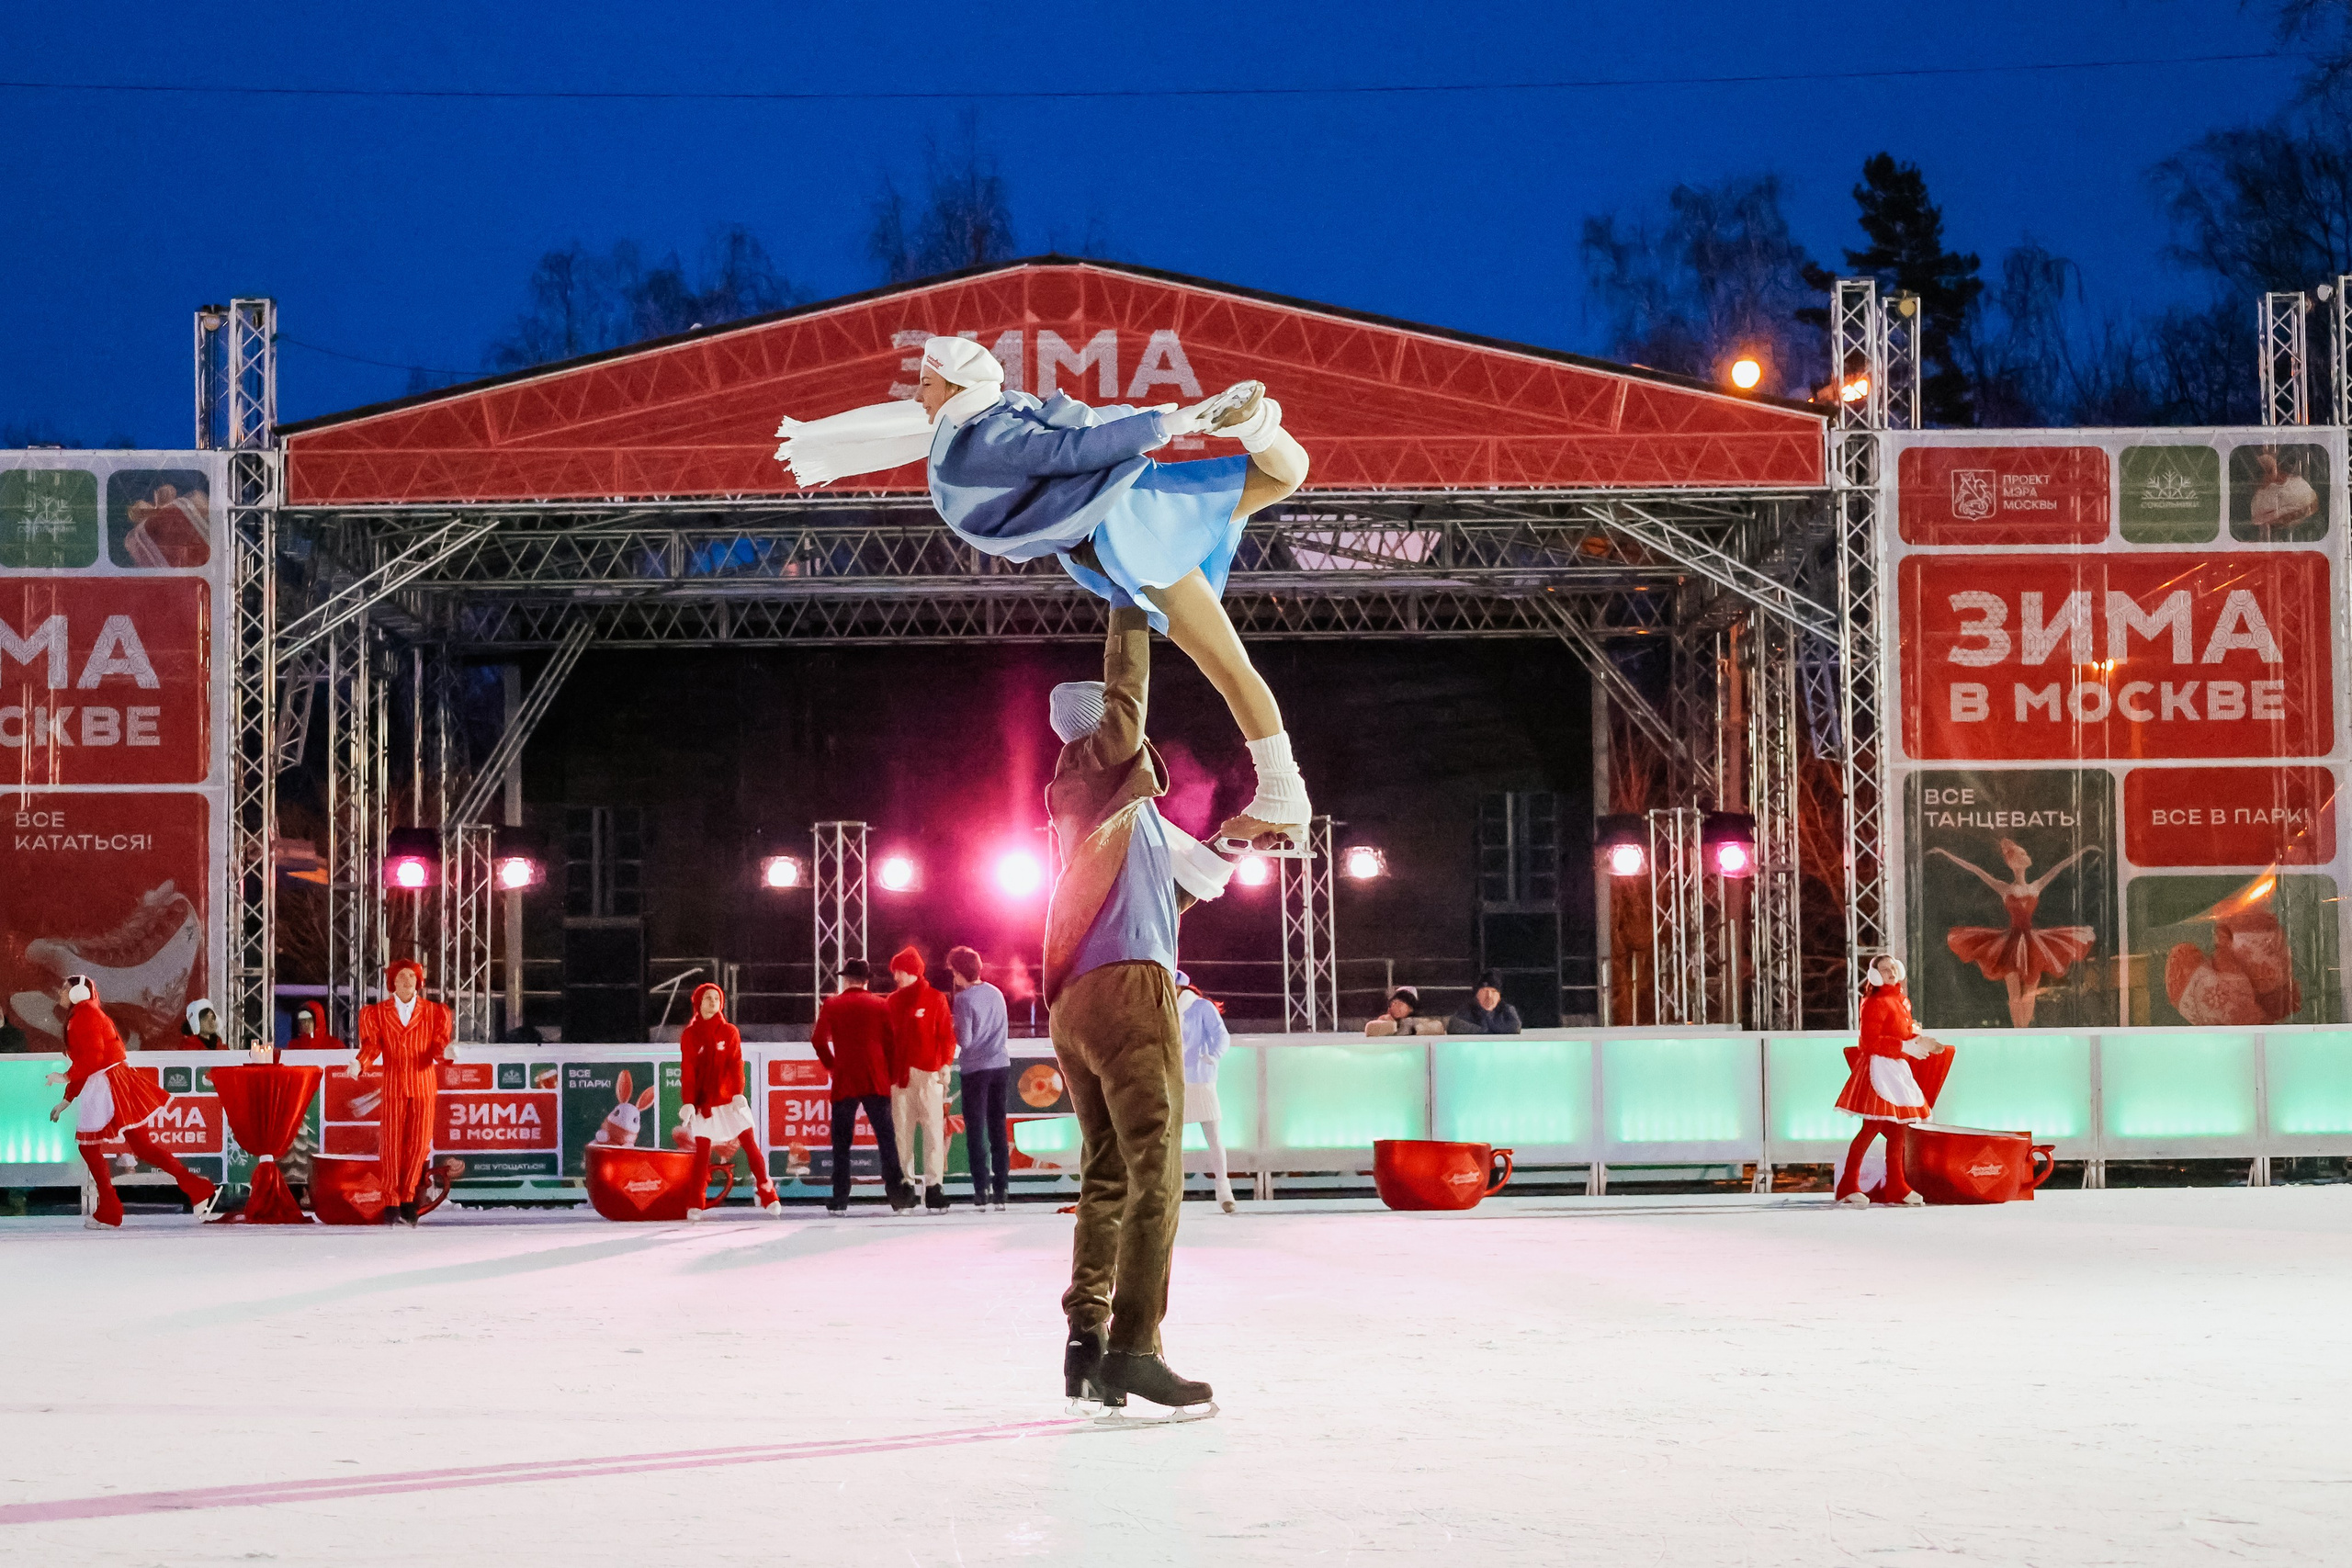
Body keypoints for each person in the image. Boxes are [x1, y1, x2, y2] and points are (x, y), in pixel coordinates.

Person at [775, 336, 1316, 857]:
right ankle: (1257, 426)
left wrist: (1165, 424)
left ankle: (1282, 795)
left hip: (1126, 527)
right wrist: (1166, 419)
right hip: (1130, 504)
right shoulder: (994, 415)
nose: (918, 396)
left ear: (956, 387)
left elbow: (1070, 447)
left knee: (1225, 663)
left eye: (927, 384)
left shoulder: (984, 440)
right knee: (1283, 476)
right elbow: (1077, 428)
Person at [1045, 604, 1236, 1417]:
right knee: (1156, 1173)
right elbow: (1128, 691)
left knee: (1108, 1175)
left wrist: (1229, 850)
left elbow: (1156, 909)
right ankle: (1134, 1347)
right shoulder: (1100, 761)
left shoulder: (1116, 819)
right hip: (1129, 993)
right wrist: (1132, 598)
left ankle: (1085, 1345)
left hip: (1081, 997)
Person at [47, 975, 218, 1227]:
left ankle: (111, 1209)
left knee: (91, 1147)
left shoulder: (86, 1015)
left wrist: (65, 1077)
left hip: (109, 1082)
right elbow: (87, 1062)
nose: (60, 992)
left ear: (79, 993)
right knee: (140, 1146)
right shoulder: (84, 1014)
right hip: (109, 1080)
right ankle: (197, 1187)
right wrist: (67, 1099)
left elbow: (93, 1059)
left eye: (65, 988)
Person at [1929, 839, 2096, 1028]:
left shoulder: (2036, 885)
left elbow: (2060, 867)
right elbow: (1975, 870)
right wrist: (1945, 853)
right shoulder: (2005, 888)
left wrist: (2084, 850)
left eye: (2025, 854)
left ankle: (2024, 1031)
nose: (2026, 857)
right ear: (2013, 862)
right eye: (2022, 855)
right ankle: (2018, 1030)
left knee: (2030, 990)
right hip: (2011, 944)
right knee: (2014, 993)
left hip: (2033, 944)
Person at [1833, 956, 1951, 1207]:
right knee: (1872, 1127)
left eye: (1893, 968)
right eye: (1885, 969)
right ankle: (1848, 1184)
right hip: (1879, 1070)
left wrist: (1918, 1039)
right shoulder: (1875, 1003)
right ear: (1875, 974)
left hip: (1896, 1067)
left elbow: (1901, 1031)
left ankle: (1896, 1185)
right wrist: (1905, 1045)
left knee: (1898, 1129)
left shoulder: (1900, 1001)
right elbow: (1868, 1042)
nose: (1891, 973)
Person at [351, 959, 454, 1227]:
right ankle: (391, 1202)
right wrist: (360, 1062)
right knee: (392, 1146)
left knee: (418, 1146)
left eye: (411, 976)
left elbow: (437, 1046)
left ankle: (409, 1198)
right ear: (392, 982)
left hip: (422, 1085)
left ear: (418, 981)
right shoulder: (378, 1013)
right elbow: (372, 1045)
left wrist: (446, 1054)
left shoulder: (433, 1012)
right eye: (400, 977)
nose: (406, 981)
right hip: (395, 1084)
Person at [809, 960, 917, 1217]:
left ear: (846, 980)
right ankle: (896, 1194)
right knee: (886, 1138)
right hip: (875, 1076)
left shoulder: (833, 1004)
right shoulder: (881, 1004)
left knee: (842, 1141)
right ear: (867, 980)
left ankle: (840, 1197)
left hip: (845, 1076)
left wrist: (833, 1066)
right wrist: (889, 1074)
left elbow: (818, 1040)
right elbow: (892, 1044)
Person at [678, 982, 782, 1219]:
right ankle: (696, 1201)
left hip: (729, 1102)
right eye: (707, 998)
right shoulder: (690, 1035)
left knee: (750, 1146)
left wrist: (737, 1092)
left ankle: (768, 1193)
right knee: (702, 1155)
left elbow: (736, 1063)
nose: (713, 1002)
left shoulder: (729, 1032)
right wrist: (689, 1102)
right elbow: (688, 1070)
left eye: (716, 998)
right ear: (698, 1003)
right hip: (706, 1106)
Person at [886, 946, 958, 1215]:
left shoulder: (935, 999)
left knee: (932, 1133)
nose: (896, 977)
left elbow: (946, 1036)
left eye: (900, 972)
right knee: (902, 1133)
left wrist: (947, 1064)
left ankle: (934, 1187)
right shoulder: (892, 1002)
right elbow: (886, 1040)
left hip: (928, 1074)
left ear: (912, 971)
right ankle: (905, 1186)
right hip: (900, 1076)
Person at [947, 945, 1012, 1212]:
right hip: (1001, 1065)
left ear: (959, 972)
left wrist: (952, 1027)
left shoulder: (963, 1000)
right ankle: (1002, 1188)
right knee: (998, 1126)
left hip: (976, 1069)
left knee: (976, 1129)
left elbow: (967, 1040)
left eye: (952, 970)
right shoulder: (995, 993)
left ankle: (981, 1188)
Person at [1175, 972, 1237, 1214]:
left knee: (1213, 1137)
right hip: (1172, 1080)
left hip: (1200, 1078)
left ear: (1179, 987)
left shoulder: (1200, 1007)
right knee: (1171, 1142)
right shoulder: (1162, 1007)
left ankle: (1224, 1190)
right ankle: (1172, 1192)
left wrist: (1214, 1055)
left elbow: (1221, 1035)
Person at [1447, 973, 1523, 1035]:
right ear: (1477, 995)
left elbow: (1515, 1028)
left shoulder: (1507, 1010)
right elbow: (1454, 1026)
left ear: (1499, 996)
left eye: (1493, 991)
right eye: (1484, 991)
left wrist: (1487, 1030)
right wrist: (1487, 1031)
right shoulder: (1468, 1010)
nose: (1489, 996)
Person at [1364, 984, 1443, 1037]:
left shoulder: (1419, 1022)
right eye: (1394, 1002)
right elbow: (1370, 1029)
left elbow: (1438, 1028)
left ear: (1411, 1009)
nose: (1395, 1005)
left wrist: (1411, 1027)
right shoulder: (1385, 1019)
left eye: (1401, 1003)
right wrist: (1397, 1027)